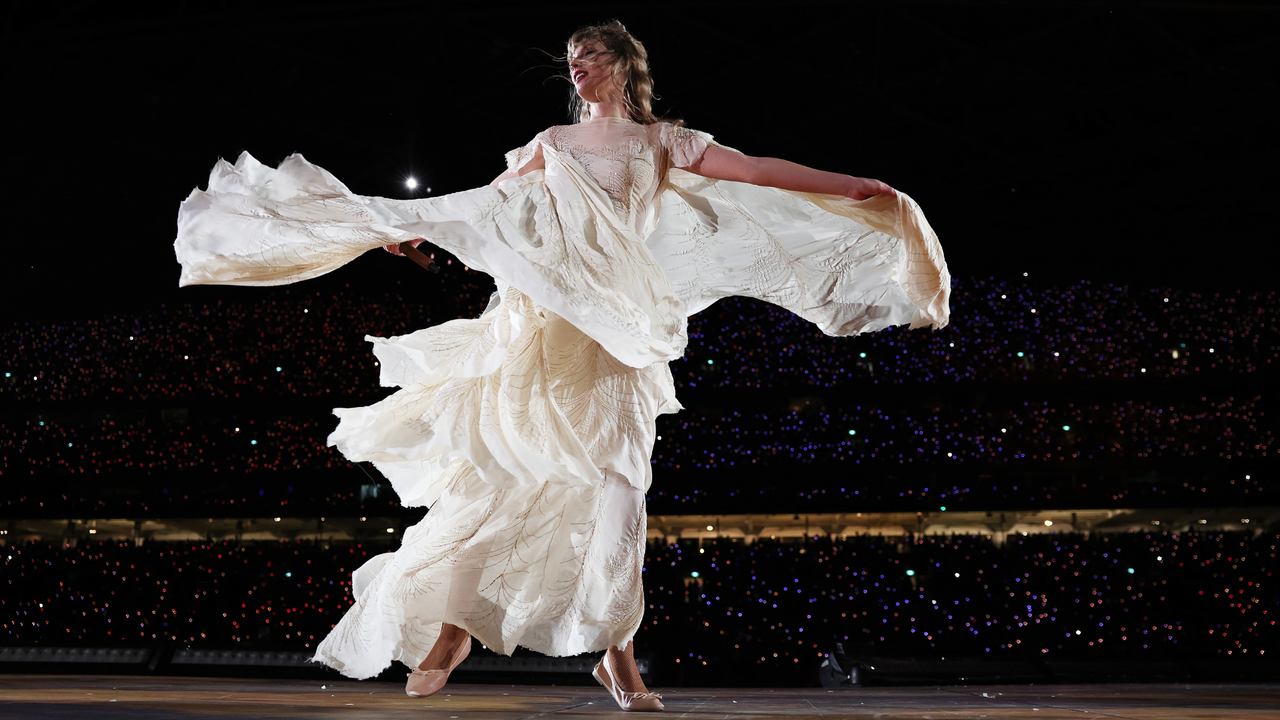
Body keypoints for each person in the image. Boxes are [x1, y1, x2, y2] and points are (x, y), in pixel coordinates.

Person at [174, 20, 949, 712]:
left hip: (617, 336)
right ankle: (455, 628)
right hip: (541, 326)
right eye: (571, 62)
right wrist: (407, 229)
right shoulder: (551, 143)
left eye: (588, 59)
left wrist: (845, 185)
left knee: (618, 492)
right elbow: (484, 206)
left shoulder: (662, 142)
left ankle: (618, 663)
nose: (576, 70)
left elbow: (751, 170)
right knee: (510, 473)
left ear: (621, 66)